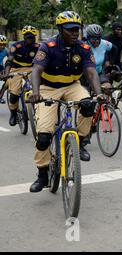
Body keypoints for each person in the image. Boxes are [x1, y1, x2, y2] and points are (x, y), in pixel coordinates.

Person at [27, 11, 106, 193]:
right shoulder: (48, 46)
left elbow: (92, 73)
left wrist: (99, 93)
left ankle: (79, 140)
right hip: (48, 88)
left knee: (88, 104)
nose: (74, 33)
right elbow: (37, 70)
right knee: (44, 136)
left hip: (72, 85)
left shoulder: (84, 48)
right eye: (70, 30)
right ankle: (42, 173)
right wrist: (36, 93)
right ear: (60, 29)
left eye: (77, 30)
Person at [1, 26, 40, 126]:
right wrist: (6, 73)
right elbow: (9, 61)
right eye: (28, 37)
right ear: (24, 37)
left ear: (35, 37)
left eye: (32, 37)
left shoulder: (38, 47)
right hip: (16, 69)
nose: (30, 40)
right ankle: (13, 114)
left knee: (39, 87)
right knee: (14, 94)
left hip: (31, 69)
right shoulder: (16, 46)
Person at [83, 24, 114, 93]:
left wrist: (108, 62)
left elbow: (115, 49)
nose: (97, 41)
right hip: (84, 76)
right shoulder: (83, 45)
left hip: (99, 73)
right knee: (85, 97)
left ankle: (107, 103)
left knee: (108, 88)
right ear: (88, 37)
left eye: (99, 38)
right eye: (94, 38)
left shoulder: (104, 43)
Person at [0, 35, 8, 104]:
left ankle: (0, 96)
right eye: (0, 45)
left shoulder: (6, 51)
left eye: (4, 45)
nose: (2, 46)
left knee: (8, 81)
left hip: (2, 69)